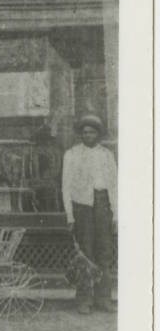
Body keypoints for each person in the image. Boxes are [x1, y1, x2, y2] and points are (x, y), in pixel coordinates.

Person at [61, 114, 117, 315]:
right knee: (86, 253)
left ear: (98, 134)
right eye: (84, 132)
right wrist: (70, 215)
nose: (88, 135)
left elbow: (114, 186)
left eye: (92, 132)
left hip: (103, 205)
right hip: (82, 207)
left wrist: (116, 214)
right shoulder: (72, 154)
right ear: (80, 134)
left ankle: (104, 298)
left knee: (105, 252)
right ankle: (84, 300)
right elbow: (65, 187)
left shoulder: (107, 155)